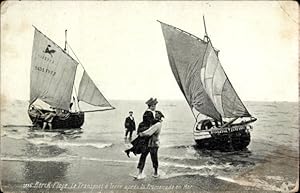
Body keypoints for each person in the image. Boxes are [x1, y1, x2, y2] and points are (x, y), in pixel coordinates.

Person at [137, 110, 164, 178]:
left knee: (153, 158)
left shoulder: (157, 124)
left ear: (160, 116)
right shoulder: (154, 122)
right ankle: (140, 173)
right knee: (143, 157)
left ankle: (155, 173)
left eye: (157, 114)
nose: (155, 115)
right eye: (155, 114)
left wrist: (142, 134)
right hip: (149, 143)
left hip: (153, 143)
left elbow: (150, 132)